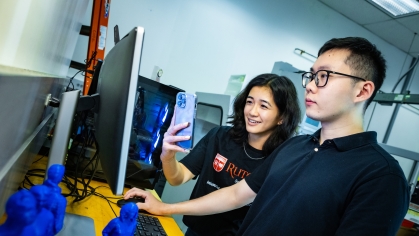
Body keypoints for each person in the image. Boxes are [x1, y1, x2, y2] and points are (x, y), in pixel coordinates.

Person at [124, 37, 410, 235]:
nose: (310, 86)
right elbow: (236, 194)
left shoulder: (381, 177)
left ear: (362, 91)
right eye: (310, 76)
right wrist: (164, 207)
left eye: (323, 76)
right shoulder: (297, 147)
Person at [126, 73, 302, 235]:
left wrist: (165, 208)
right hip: (195, 231)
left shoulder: (278, 160)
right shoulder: (220, 136)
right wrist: (168, 157)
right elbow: (177, 178)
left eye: (264, 106)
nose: (252, 111)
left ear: (282, 118)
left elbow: (233, 197)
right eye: (250, 102)